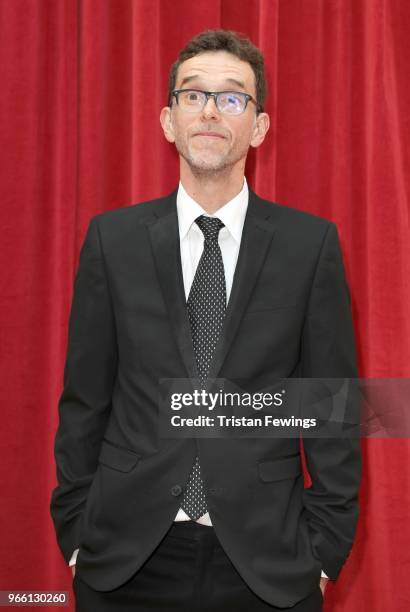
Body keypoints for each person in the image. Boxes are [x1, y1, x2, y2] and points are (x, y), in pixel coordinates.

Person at [50, 29, 361, 612]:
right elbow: (84, 400)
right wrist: (77, 534)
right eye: (193, 96)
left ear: (259, 126)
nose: (212, 111)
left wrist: (323, 553)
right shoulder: (111, 241)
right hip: (125, 556)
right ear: (169, 120)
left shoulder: (309, 245)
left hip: (268, 561)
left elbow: (333, 407)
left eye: (233, 97)